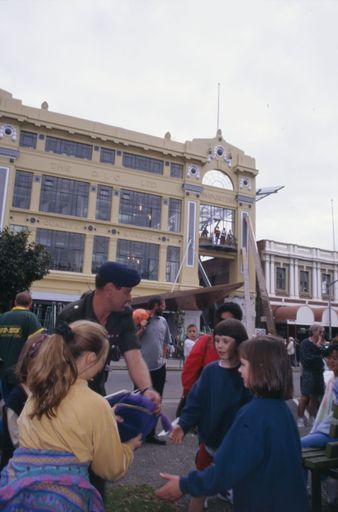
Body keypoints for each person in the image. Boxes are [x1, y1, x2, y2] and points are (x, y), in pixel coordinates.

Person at [156, 336, 309, 512]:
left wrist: (184, 485)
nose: (239, 371)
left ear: (260, 370)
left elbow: (225, 470)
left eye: (243, 365)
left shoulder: (252, 415)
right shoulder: (283, 410)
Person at [0, 320, 141, 511]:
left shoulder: (36, 393)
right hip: (64, 500)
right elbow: (110, 468)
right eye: (103, 359)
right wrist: (129, 447)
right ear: (91, 358)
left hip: (17, 490)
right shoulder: (96, 404)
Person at [170, 318, 251, 512]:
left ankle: (229, 490)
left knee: (241, 486)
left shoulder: (246, 374)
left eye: (226, 341)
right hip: (208, 437)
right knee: (200, 481)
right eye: (217, 340)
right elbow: (195, 402)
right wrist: (183, 424)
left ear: (238, 343)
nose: (220, 346)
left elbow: (250, 409)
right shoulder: (209, 371)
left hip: (233, 443)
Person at [57, 261, 160, 407]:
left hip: (97, 394)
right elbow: (55, 364)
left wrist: (147, 389)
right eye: (127, 291)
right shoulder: (71, 316)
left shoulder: (124, 315)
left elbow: (135, 358)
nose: (130, 298)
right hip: (65, 397)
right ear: (110, 289)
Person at [0, 329, 47, 469]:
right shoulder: (17, 398)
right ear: (32, 364)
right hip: (17, 472)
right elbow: (18, 443)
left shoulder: (47, 394)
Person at [181, 302, 243, 398]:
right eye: (221, 320)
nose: (225, 324)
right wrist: (192, 398)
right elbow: (189, 374)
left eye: (229, 321)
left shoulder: (244, 347)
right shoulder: (206, 341)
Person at [136, 297, 171, 445]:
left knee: (157, 400)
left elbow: (165, 342)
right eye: (162, 304)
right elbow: (133, 338)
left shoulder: (163, 321)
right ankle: (137, 433)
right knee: (139, 401)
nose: (164, 307)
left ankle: (151, 434)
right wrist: (143, 326)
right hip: (141, 367)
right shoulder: (141, 317)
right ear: (155, 305)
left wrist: (164, 360)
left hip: (159, 367)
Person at [0, 290, 43, 399]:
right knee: (16, 407)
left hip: (2, 371)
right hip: (20, 373)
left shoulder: (3, 317)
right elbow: (38, 343)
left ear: (15, 302)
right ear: (30, 304)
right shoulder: (30, 318)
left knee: (5, 403)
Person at [297, 324, 325, 427]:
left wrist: (318, 346)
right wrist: (318, 357)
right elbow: (306, 360)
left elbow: (324, 354)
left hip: (318, 373)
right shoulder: (305, 343)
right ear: (313, 332)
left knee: (314, 397)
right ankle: (300, 419)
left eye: (322, 332)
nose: (322, 334)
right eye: (320, 331)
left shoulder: (320, 343)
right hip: (308, 373)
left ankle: (312, 418)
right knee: (304, 397)